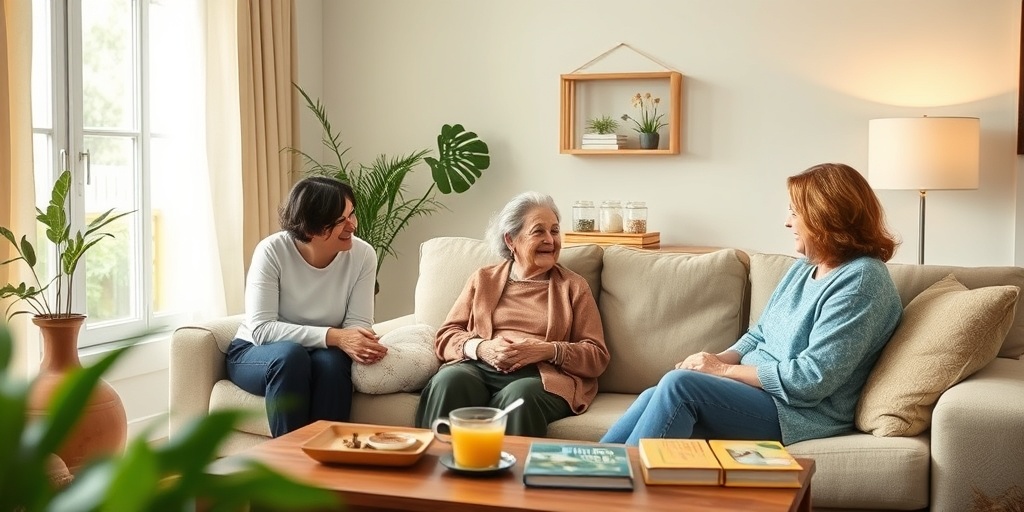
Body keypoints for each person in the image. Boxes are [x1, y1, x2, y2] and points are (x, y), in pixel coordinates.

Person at [600, 163, 903, 446]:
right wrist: (712, 361)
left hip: (798, 412)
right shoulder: (804, 268)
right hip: (757, 392)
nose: (787, 222)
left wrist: (721, 370)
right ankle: (588, 473)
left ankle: (617, 483)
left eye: (795, 212)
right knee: (657, 392)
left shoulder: (861, 281)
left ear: (825, 217)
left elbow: (811, 379)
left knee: (680, 387)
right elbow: (759, 334)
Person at [415, 191, 610, 437]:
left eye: (554, 231)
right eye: (538, 231)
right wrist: (481, 348)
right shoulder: (483, 279)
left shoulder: (573, 287)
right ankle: (435, 461)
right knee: (449, 381)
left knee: (519, 397)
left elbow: (597, 356)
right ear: (510, 240)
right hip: (480, 367)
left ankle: (503, 461)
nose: (550, 240)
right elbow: (446, 336)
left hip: (539, 377)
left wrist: (548, 350)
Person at [226, 176, 386, 437]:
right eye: (341, 220)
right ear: (312, 228)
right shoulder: (272, 251)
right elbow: (262, 330)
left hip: (322, 352)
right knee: (291, 356)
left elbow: (357, 326)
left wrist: (352, 341)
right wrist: (335, 336)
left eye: (352, 214)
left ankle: (330, 455)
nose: (353, 225)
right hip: (256, 352)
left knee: (333, 364)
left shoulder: (363, 255)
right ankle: (289, 458)